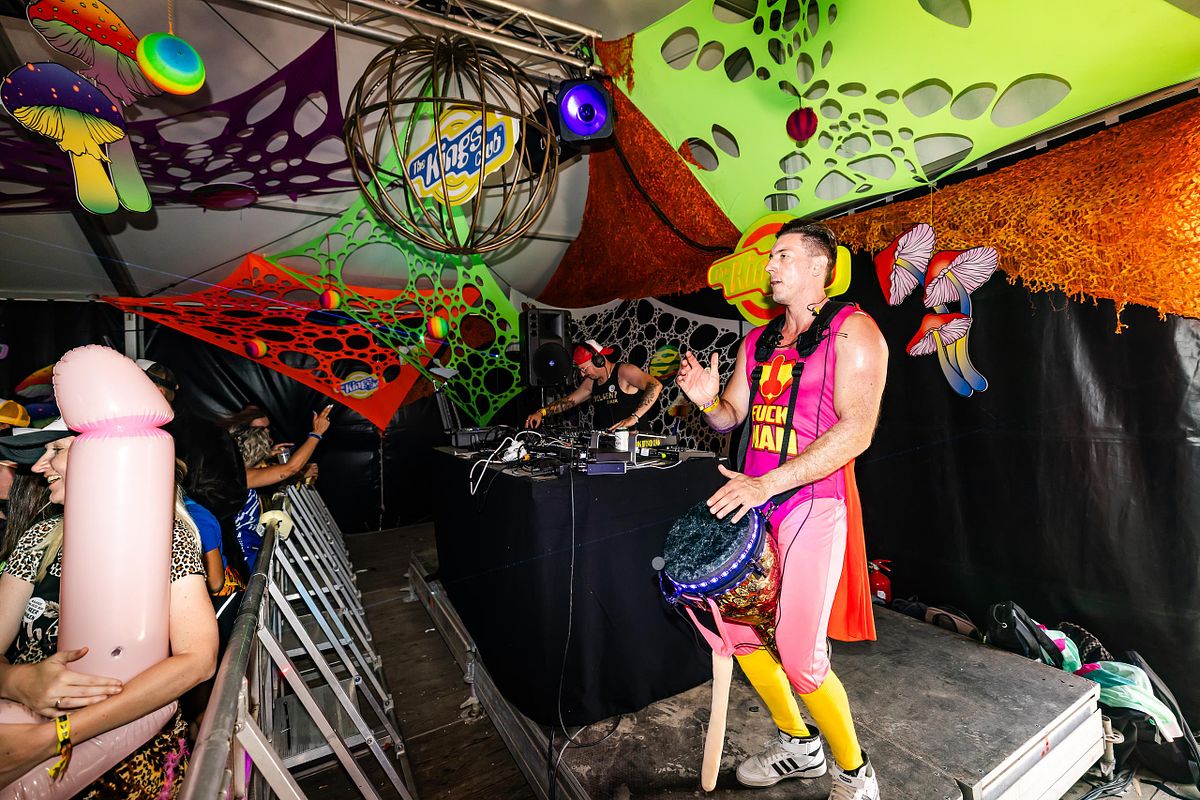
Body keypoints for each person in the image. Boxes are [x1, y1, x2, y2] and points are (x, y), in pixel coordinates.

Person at [676, 220, 888, 800]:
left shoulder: (854, 331)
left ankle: (855, 772)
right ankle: (799, 744)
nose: (769, 266)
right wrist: (707, 402)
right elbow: (730, 417)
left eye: (783, 256)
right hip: (755, 507)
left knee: (798, 656)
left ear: (820, 267)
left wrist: (767, 484)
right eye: (771, 258)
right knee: (740, 633)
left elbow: (858, 431)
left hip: (811, 504)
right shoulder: (758, 342)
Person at [0, 427, 218, 795]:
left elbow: (199, 659)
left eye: (56, 449)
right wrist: (17, 682)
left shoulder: (163, 536)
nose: (38, 466)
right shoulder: (40, 538)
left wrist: (54, 737)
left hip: (125, 753)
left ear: (104, 457)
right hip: (19, 719)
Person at [225, 404, 332, 572]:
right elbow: (289, 469)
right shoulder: (240, 476)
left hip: (250, 544)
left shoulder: (241, 471)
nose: (268, 435)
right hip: (242, 551)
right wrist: (316, 433)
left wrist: (266, 455)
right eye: (261, 433)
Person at [524, 339, 662, 431]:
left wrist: (634, 418)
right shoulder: (591, 383)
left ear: (598, 360)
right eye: (580, 370)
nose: (583, 374)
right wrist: (541, 412)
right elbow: (568, 402)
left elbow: (655, 385)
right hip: (611, 446)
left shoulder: (624, 371)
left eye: (584, 369)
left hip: (638, 443)